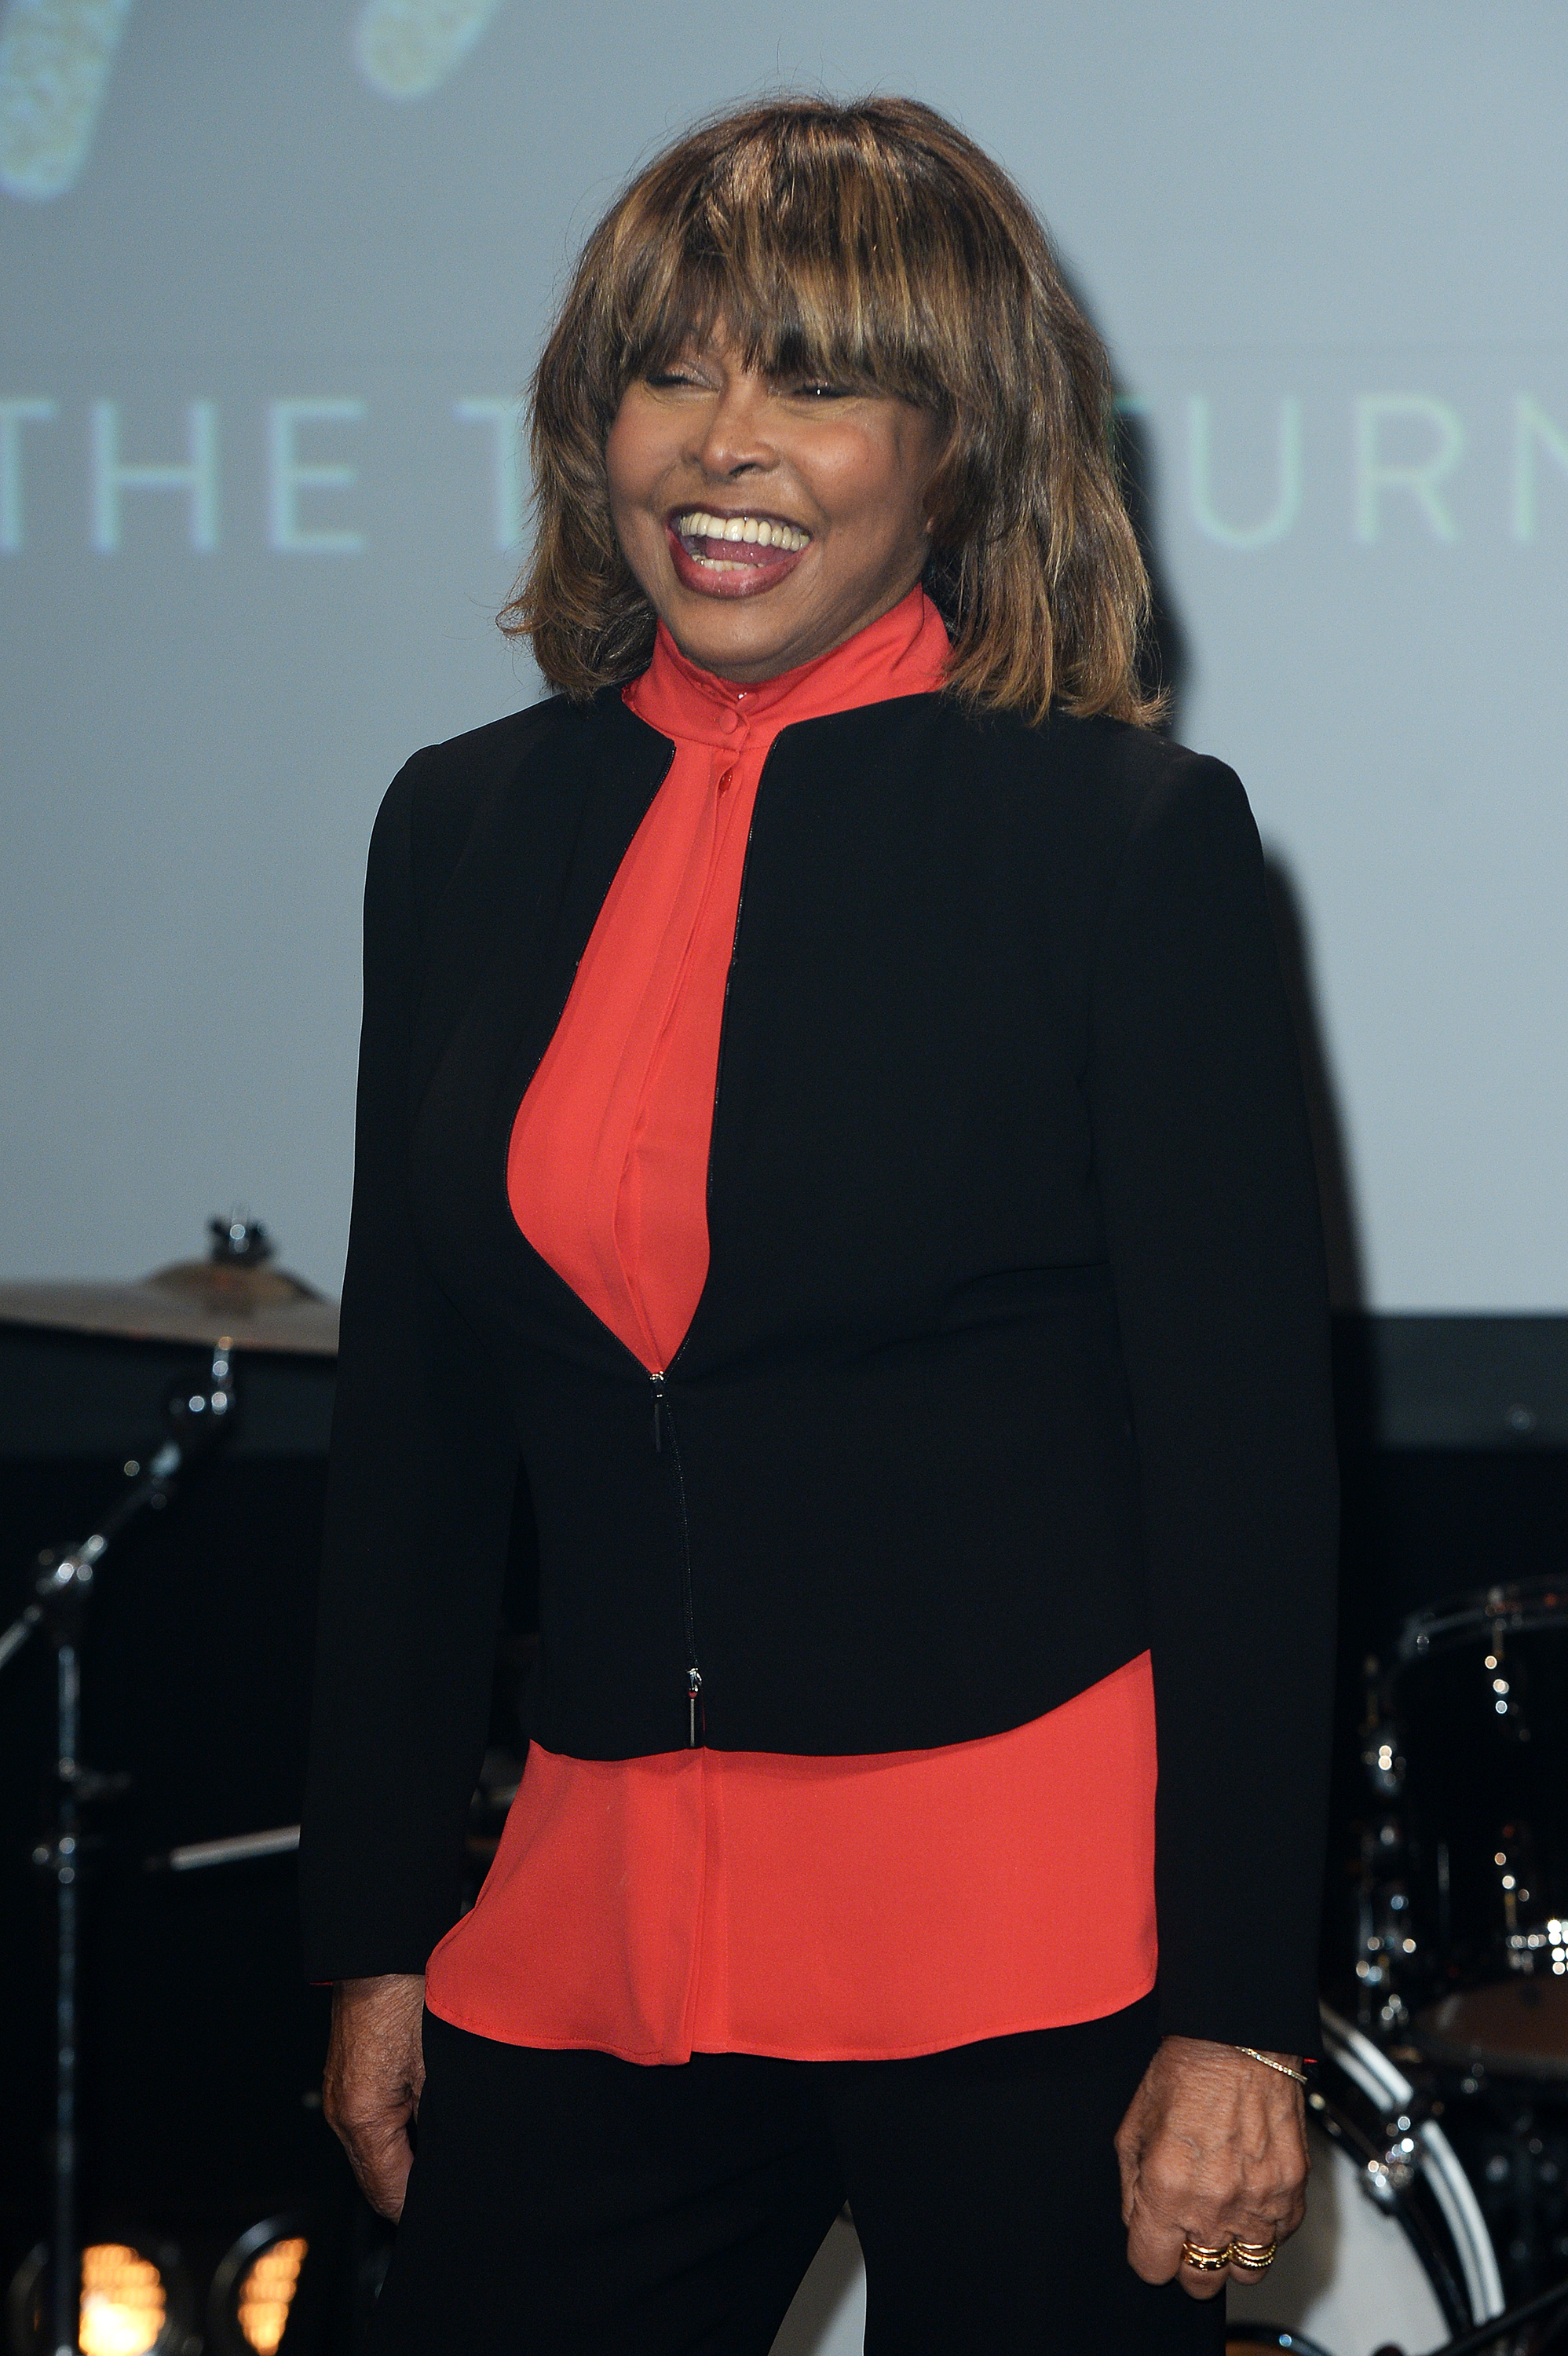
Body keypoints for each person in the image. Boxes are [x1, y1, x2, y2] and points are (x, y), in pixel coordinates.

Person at [300, 93, 1338, 2355]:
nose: (724, 447)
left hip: (1029, 1949)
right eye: (673, 372)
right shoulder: (463, 827)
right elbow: (415, 1432)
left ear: (958, 444)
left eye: (819, 379)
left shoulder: (1122, 840)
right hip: (588, 1928)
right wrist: (375, 1929)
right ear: (597, 425)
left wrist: (1246, 2015)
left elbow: (1246, 1471)